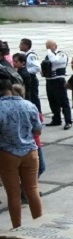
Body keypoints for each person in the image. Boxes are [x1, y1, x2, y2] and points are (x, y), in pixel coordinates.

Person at [0, 74, 43, 228]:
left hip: (7, 153)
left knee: (13, 194)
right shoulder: (29, 105)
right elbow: (37, 130)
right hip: (30, 152)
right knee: (32, 191)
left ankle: (17, 228)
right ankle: (40, 225)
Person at [43, 40, 73, 130]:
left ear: (55, 46)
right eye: (47, 46)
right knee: (52, 101)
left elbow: (54, 61)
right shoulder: (49, 55)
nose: (48, 48)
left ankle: (68, 121)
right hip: (49, 80)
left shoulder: (61, 54)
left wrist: (49, 51)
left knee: (63, 102)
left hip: (58, 81)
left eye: (49, 46)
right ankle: (56, 119)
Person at [18, 38, 41, 112]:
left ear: (26, 45)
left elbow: (37, 67)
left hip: (31, 79)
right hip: (28, 78)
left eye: (21, 44)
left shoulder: (31, 56)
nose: (19, 46)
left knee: (33, 97)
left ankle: (38, 113)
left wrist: (26, 71)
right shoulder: (25, 55)